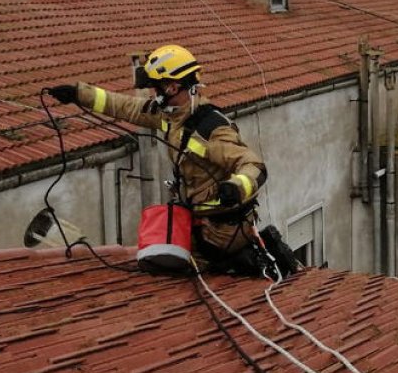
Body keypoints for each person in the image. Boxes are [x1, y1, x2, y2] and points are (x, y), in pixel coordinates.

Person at [46, 44, 294, 275]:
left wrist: (236, 187)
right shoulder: (173, 117)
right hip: (199, 222)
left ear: (172, 87)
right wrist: (79, 94)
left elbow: (254, 166)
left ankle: (237, 264)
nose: (153, 93)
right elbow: (126, 107)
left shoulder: (211, 129)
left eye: (156, 87)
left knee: (166, 269)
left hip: (220, 233)